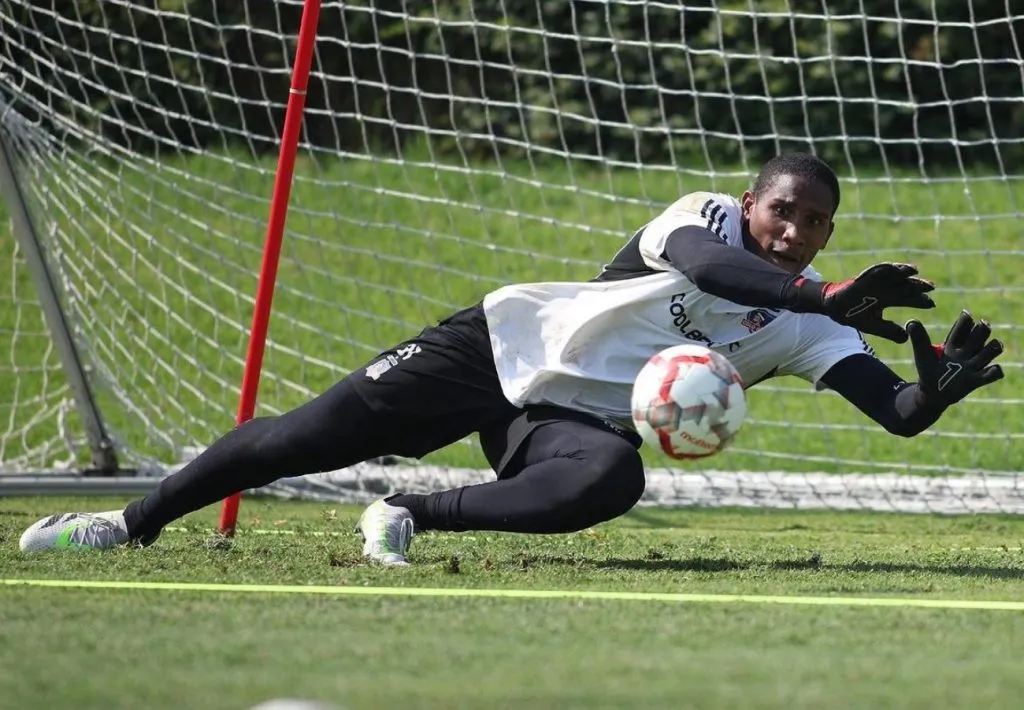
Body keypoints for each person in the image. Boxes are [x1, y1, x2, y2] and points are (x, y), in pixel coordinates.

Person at [19, 153, 1005, 564]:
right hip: (494, 349)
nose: (796, 228)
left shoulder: (809, 313)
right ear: (753, 204)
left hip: (567, 420)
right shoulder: (703, 220)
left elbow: (896, 409)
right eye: (782, 209)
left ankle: (405, 512)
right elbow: (717, 270)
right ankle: (123, 522)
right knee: (294, 440)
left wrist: (935, 388)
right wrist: (824, 291)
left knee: (612, 477)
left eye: (816, 221)